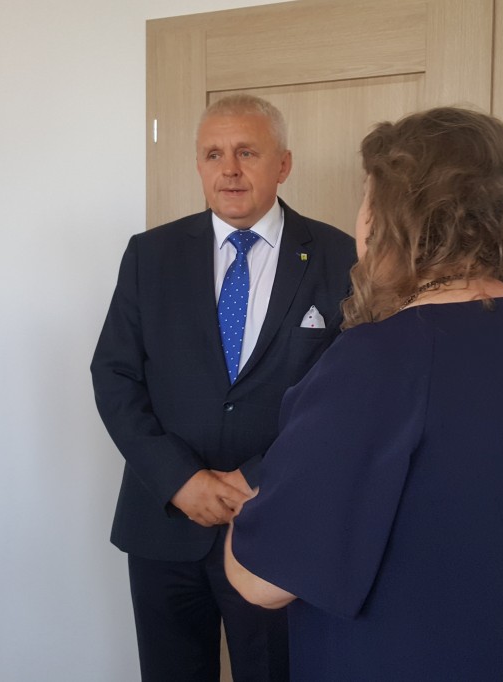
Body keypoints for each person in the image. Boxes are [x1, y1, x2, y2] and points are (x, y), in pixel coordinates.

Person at [225, 107, 503, 680]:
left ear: (389, 217)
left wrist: (248, 505)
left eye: (367, 198)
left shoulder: (380, 359)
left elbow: (261, 579)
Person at [91, 94, 356, 681]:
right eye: (213, 154)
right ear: (198, 164)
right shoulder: (150, 254)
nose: (229, 170)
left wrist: (256, 478)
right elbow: (113, 375)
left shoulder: (340, 257)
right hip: (164, 522)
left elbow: (344, 400)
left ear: (283, 164)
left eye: (246, 153)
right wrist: (179, 479)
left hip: (277, 522)